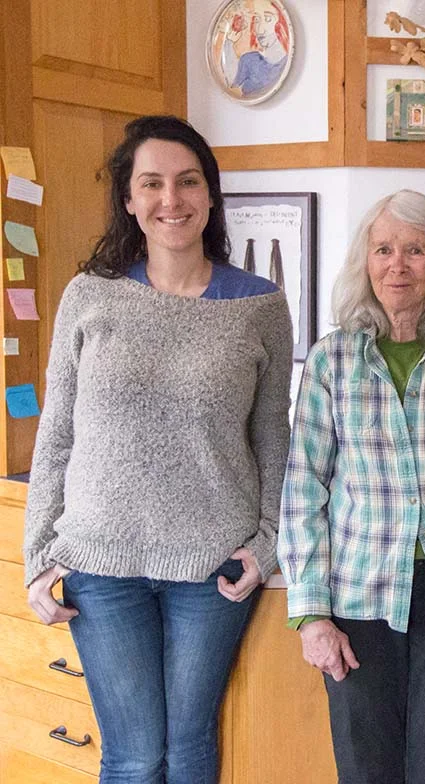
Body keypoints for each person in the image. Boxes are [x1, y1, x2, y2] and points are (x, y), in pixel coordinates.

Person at [23, 115, 293, 783]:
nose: (170, 200)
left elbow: (273, 436)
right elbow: (56, 432)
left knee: (191, 747)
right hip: (100, 562)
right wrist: (36, 554)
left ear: (210, 195)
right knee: (137, 758)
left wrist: (268, 543)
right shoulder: (89, 297)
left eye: (187, 182)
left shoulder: (259, 306)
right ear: (129, 199)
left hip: (212, 567)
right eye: (152, 184)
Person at [278, 190, 425, 784]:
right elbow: (303, 488)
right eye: (384, 249)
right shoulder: (332, 360)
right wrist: (310, 614)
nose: (398, 264)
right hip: (358, 597)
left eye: (415, 249)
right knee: (366, 772)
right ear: (365, 260)